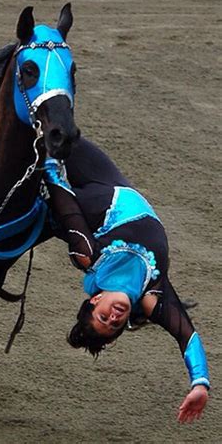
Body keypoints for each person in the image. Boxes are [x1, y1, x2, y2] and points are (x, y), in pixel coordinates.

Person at [43, 138, 209, 424]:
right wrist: (200, 383)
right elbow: (187, 336)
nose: (113, 317)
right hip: (110, 185)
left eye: (103, 316)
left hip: (84, 193)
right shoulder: (151, 294)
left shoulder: (90, 257)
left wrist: (46, 163)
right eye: (115, 323)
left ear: (95, 300)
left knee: (53, 134)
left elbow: (64, 201)